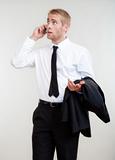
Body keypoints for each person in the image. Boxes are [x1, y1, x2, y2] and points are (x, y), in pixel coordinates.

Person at [12, 8, 95, 160]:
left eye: (54, 22)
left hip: (67, 112)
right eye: (48, 21)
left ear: (65, 27)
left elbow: (90, 82)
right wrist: (33, 38)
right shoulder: (40, 53)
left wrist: (79, 88)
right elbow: (17, 62)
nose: (48, 25)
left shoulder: (80, 52)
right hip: (43, 113)